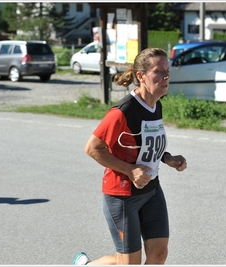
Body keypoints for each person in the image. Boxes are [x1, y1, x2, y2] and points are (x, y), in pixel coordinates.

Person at [73, 48, 187, 265]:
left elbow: (144, 144)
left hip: (151, 191)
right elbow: (92, 148)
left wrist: (168, 158)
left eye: (167, 71)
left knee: (159, 254)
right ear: (141, 76)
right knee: (129, 263)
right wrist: (130, 170)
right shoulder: (122, 112)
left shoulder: (156, 106)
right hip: (122, 196)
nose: (166, 77)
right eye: (159, 71)